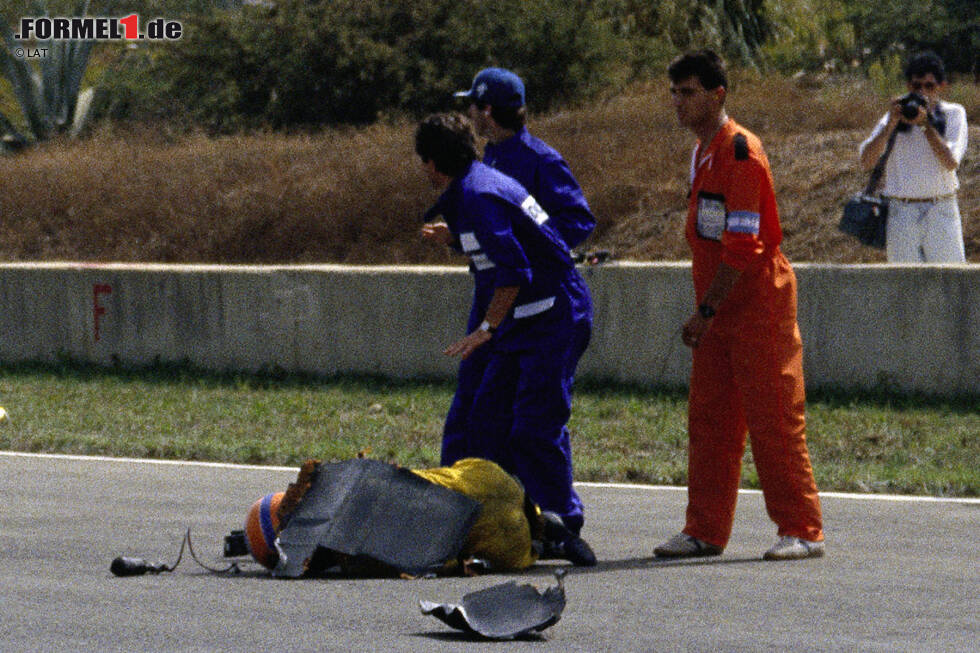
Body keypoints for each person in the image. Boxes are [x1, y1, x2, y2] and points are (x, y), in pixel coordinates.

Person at [653, 51, 824, 561]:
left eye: (688, 92)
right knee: (709, 420)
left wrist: (706, 312)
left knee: (774, 417)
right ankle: (704, 529)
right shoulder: (702, 151)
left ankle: (802, 529)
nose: (679, 103)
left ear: (717, 95)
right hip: (716, 307)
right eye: (675, 93)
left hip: (756, 305)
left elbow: (744, 245)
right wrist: (708, 311)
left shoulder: (742, 151)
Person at [416, 112, 595, 566]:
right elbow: (500, 240)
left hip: (553, 316)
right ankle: (486, 520)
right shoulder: (474, 187)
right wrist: (455, 240)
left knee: (534, 426)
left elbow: (515, 269)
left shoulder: (478, 194)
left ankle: (560, 525)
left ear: (433, 163)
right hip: (522, 321)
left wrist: (485, 330)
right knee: (483, 422)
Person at [241, 457, 588, 575]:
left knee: (481, 547)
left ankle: (544, 546)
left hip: (510, 547)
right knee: (458, 480)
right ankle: (544, 523)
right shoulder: (340, 482)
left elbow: (429, 563)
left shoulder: (355, 552)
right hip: (492, 475)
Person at [454, 67, 596, 250]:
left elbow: (578, 222)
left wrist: (529, 249)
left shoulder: (541, 160)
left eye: (473, 103)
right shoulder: (491, 156)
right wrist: (457, 239)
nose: (469, 111)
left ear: (487, 110)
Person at [859, 51, 968, 263]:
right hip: (902, 211)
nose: (923, 93)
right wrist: (890, 125)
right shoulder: (894, 117)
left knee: (949, 283)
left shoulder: (953, 114)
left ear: (941, 87)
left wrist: (926, 125)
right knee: (905, 286)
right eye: (917, 86)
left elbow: (950, 162)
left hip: (941, 208)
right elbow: (866, 161)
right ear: (909, 86)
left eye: (930, 86)